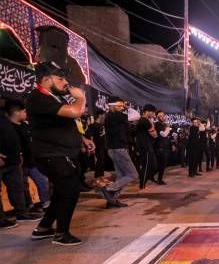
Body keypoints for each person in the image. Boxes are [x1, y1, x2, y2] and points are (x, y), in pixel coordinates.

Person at [26, 61, 98, 245]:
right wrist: (81, 97)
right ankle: (61, 234)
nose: (65, 82)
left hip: (61, 153)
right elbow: (75, 112)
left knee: (62, 191)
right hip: (51, 155)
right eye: (60, 78)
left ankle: (43, 228)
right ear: (46, 80)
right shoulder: (38, 97)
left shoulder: (56, 97)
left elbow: (65, 123)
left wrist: (82, 139)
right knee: (70, 191)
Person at [5, 99, 49, 212]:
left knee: (43, 181)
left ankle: (46, 203)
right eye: (24, 111)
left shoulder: (25, 125)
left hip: (33, 161)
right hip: (19, 162)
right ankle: (28, 206)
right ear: (16, 112)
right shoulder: (8, 127)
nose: (26, 114)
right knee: (23, 186)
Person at [101, 97, 140, 207]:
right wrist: (128, 106)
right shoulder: (115, 115)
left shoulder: (111, 116)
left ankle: (111, 200)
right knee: (133, 174)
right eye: (119, 106)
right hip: (118, 149)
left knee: (121, 176)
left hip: (115, 149)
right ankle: (108, 189)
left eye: (122, 106)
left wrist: (124, 106)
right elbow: (136, 115)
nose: (121, 108)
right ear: (111, 105)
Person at [135, 104, 158, 189]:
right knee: (146, 166)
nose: (154, 115)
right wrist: (152, 124)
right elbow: (155, 135)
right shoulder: (144, 121)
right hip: (145, 147)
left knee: (154, 166)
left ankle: (144, 182)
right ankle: (142, 186)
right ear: (148, 112)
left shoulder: (144, 121)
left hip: (148, 147)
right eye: (153, 113)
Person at [154, 110, 171, 185]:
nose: (162, 117)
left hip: (164, 147)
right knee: (161, 164)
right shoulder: (158, 124)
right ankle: (159, 179)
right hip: (160, 147)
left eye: (163, 115)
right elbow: (163, 134)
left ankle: (154, 177)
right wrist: (168, 127)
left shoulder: (162, 124)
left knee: (162, 164)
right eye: (160, 116)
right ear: (157, 117)